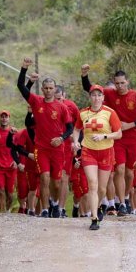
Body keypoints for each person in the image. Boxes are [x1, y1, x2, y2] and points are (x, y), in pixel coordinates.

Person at [81, 65, 136, 216]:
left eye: (122, 83)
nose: (119, 86)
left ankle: (124, 196)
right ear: (114, 82)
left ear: (127, 82)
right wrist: (84, 75)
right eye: (117, 83)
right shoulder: (109, 94)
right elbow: (90, 89)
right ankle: (122, 204)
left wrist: (131, 125)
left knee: (129, 173)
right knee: (119, 169)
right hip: (116, 138)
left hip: (133, 137)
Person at [17, 57, 73, 218]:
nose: (48, 90)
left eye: (51, 88)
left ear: (55, 90)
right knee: (44, 177)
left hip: (57, 149)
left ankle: (55, 204)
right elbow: (21, 86)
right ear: (42, 89)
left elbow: (69, 128)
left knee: (57, 181)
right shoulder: (36, 102)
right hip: (41, 148)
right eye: (46, 88)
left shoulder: (62, 107)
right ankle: (46, 209)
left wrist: (61, 138)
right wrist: (24, 68)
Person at [79, 85, 122, 230]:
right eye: (93, 95)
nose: (96, 98)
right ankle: (94, 218)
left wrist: (104, 135)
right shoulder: (83, 113)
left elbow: (119, 133)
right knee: (92, 183)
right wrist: (74, 141)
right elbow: (76, 128)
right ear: (89, 97)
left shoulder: (110, 113)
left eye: (99, 95)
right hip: (88, 151)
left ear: (103, 98)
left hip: (106, 152)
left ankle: (98, 206)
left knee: (102, 189)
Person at [55, 85, 82, 217]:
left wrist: (76, 141)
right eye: (55, 99)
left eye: (60, 98)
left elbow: (79, 125)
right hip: (51, 145)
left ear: (64, 96)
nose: (57, 102)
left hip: (66, 145)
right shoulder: (47, 106)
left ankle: (61, 208)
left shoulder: (71, 106)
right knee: (52, 178)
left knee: (64, 178)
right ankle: (52, 205)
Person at [10, 118, 40, 215]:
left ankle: (32, 210)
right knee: (23, 192)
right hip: (24, 166)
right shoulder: (22, 133)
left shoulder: (44, 131)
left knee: (37, 190)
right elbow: (13, 149)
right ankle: (23, 207)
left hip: (39, 165)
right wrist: (18, 163)